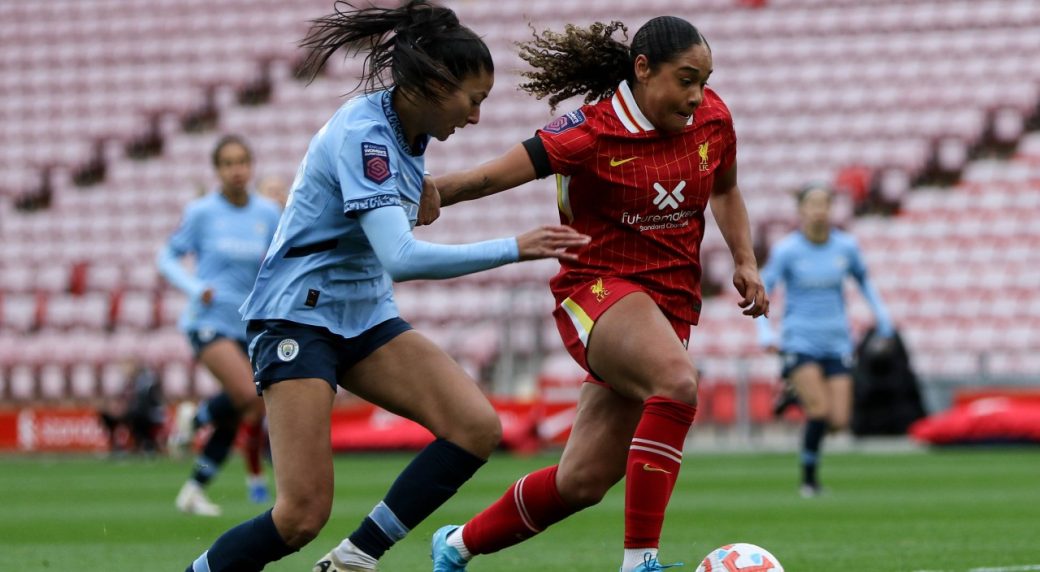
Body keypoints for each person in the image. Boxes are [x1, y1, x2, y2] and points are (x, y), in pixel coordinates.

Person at [183, 2, 589, 571]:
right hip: (297, 317)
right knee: (299, 517)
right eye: (473, 100)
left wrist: (427, 195)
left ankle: (354, 558)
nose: (475, 118)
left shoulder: (409, 131)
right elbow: (398, 257)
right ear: (433, 84)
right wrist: (515, 247)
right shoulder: (366, 135)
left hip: (363, 314)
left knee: (474, 427)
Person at [424, 17, 768, 572]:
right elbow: (496, 175)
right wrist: (436, 191)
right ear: (642, 69)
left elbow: (726, 189)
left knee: (581, 481)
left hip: (670, 302)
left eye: (704, 81)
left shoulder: (713, 119)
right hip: (600, 289)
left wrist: (745, 261)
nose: (696, 95)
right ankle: (640, 563)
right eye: (685, 80)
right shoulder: (590, 130)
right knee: (677, 384)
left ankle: (457, 544)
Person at [159, 134, 282, 516]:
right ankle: (193, 418)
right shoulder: (202, 212)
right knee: (249, 394)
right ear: (217, 170)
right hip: (207, 321)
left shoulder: (267, 213)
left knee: (241, 409)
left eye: (242, 161)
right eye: (228, 163)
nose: (236, 170)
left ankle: (194, 489)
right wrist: (196, 287)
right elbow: (167, 256)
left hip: (246, 325)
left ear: (251, 166)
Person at [754, 183, 894, 497]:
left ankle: (794, 396)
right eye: (813, 204)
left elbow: (865, 283)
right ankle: (809, 480)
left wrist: (883, 318)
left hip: (837, 341)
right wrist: (765, 331)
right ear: (801, 211)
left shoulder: (846, 247)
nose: (819, 210)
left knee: (839, 421)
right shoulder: (787, 250)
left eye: (824, 204)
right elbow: (762, 292)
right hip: (799, 339)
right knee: (818, 412)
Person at [97, 359, 165, 455]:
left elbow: (148, 402)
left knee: (136, 416)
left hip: (144, 413)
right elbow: (119, 399)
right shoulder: (125, 383)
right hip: (130, 412)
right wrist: (116, 408)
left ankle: (144, 443)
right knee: (107, 415)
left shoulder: (146, 383)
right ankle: (115, 444)